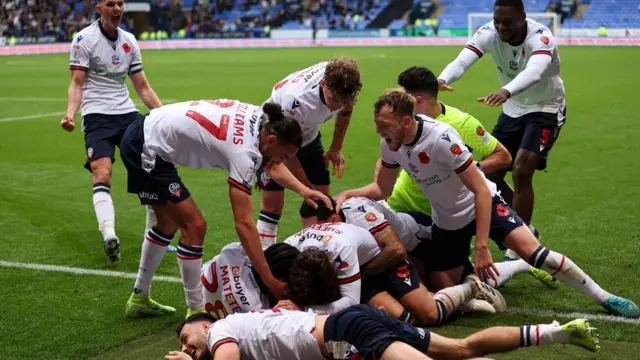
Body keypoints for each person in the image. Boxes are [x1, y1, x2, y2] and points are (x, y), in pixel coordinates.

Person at [335, 88, 640, 318]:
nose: (378, 131)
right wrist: (350, 194)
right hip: (446, 220)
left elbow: (481, 190)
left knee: (537, 254)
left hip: (483, 204)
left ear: (405, 120)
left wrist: (482, 245)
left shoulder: (442, 138)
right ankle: (515, 268)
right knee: (443, 292)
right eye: (377, 123)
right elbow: (381, 188)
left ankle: (604, 297)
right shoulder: (391, 141)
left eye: (384, 124)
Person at [119, 100, 332, 318]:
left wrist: (305, 190)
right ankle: (195, 310)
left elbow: (271, 163)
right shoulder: (243, 153)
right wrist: (270, 280)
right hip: (147, 147)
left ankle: (139, 297)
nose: (281, 161)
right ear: (272, 139)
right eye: (284, 156)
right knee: (195, 227)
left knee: (168, 222)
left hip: (148, 132)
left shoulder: (262, 118)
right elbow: (243, 224)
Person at [389, 66, 555, 287]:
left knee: (449, 281)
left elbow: (502, 157)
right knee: (406, 270)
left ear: (417, 100)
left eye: (403, 96)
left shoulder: (460, 123)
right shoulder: (403, 121)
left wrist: (467, 169)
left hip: (447, 210)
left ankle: (519, 262)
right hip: (402, 202)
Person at [438, 0, 567, 234]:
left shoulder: (541, 36)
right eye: (497, 21)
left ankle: (519, 241)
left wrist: (505, 91)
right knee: (492, 173)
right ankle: (520, 225)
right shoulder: (488, 32)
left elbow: (535, 71)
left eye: (507, 22)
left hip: (546, 107)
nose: (500, 27)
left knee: (522, 169)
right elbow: (462, 61)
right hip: (513, 109)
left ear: (523, 17)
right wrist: (442, 79)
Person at [293, 198, 507, 326]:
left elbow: (396, 250)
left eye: (317, 226)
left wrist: (352, 276)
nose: (315, 233)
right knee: (405, 317)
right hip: (369, 263)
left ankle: (471, 286)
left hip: (420, 243)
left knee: (429, 312)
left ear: (332, 219)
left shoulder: (357, 213)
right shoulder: (310, 239)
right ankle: (453, 299)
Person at [62, 0, 163, 262]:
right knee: (103, 174)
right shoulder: (84, 39)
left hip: (127, 113)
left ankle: (153, 236)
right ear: (99, 8)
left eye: (120, 3)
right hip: (97, 115)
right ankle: (109, 235)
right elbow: (76, 83)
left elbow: (142, 87)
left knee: (150, 169)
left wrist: (165, 115)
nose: (117, 8)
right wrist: (70, 114)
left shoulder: (129, 40)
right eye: (111, 3)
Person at [166, 305, 599, 360]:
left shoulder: (222, 328)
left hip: (347, 330)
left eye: (187, 339)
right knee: (463, 351)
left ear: (203, 325)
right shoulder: (245, 323)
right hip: (346, 333)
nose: (188, 346)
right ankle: (556, 332)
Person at [255, 57, 362, 248]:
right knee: (272, 206)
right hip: (275, 137)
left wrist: (336, 147)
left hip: (309, 134)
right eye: (334, 100)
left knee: (323, 207)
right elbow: (287, 155)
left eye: (344, 100)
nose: (338, 106)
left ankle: (321, 254)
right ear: (322, 84)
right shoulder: (295, 102)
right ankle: (264, 261)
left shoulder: (342, 82)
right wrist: (306, 188)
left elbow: (346, 108)